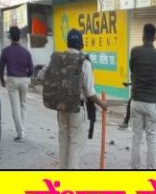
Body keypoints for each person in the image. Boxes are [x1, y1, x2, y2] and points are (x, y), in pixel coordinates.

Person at [41, 29, 108, 169]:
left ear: (67, 43)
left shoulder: (56, 58)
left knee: (63, 145)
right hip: (77, 109)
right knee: (75, 147)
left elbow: (40, 77)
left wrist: (32, 83)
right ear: (81, 44)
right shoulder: (84, 62)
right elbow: (90, 93)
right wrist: (103, 105)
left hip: (61, 109)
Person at [128, 23, 156, 170]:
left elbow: (133, 69)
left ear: (143, 36)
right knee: (151, 139)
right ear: (155, 37)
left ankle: (135, 169)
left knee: (136, 137)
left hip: (136, 101)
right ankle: (150, 170)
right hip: (151, 103)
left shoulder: (135, 52)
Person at [0, 26, 33, 141]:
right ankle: (22, 129)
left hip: (12, 80)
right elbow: (31, 69)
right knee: (23, 105)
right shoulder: (26, 52)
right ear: (19, 37)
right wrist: (27, 77)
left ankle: (20, 133)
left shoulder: (6, 51)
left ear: (9, 37)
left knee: (15, 109)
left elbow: (0, 67)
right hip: (24, 80)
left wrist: (2, 80)